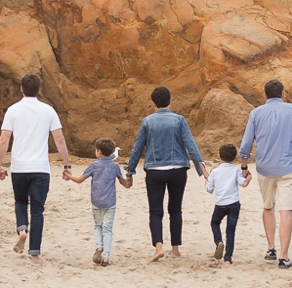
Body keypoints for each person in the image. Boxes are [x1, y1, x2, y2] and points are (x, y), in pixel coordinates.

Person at [236, 79, 292, 267]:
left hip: (264, 167)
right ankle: (284, 256)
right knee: (285, 210)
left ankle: (271, 248)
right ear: (283, 94)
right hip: (287, 167)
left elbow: (247, 141)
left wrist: (244, 166)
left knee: (268, 206)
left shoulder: (256, 113)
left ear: (264, 95)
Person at [0, 74, 72, 259]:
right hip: (40, 168)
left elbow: (4, 139)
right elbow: (59, 139)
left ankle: (22, 229)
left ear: (21, 88)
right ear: (39, 90)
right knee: (38, 210)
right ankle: (34, 251)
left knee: (21, 202)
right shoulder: (48, 111)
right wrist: (67, 165)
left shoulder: (13, 110)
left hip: (19, 167)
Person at [124, 86, 202, 259]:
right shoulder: (179, 120)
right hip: (178, 169)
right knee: (175, 210)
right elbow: (190, 144)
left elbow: (138, 147)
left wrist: (130, 171)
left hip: (154, 171)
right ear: (170, 101)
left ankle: (159, 247)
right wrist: (201, 168)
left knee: (155, 211)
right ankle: (175, 251)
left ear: (153, 103)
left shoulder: (147, 122)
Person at [66, 137, 128, 267]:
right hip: (110, 202)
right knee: (108, 229)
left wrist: (68, 175)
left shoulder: (94, 165)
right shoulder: (115, 166)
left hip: (96, 201)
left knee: (98, 225)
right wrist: (129, 180)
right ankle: (105, 257)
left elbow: (79, 180)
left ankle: (99, 247)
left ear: (99, 151)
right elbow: (124, 183)